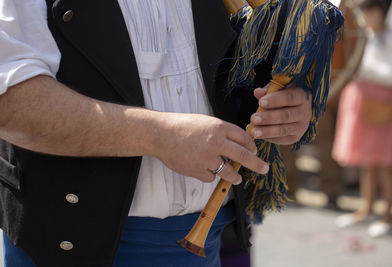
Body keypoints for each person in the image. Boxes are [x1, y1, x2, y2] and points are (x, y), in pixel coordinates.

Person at [0, 0, 313, 266]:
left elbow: (238, 57)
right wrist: (160, 135)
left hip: (211, 240)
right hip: (72, 248)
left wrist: (281, 106)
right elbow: (11, 103)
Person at [333, 0, 392, 237]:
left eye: (368, 11)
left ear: (379, 12)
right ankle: (366, 208)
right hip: (364, 101)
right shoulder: (367, 37)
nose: (364, 17)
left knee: (385, 164)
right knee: (367, 162)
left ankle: (387, 215)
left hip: (384, 104)